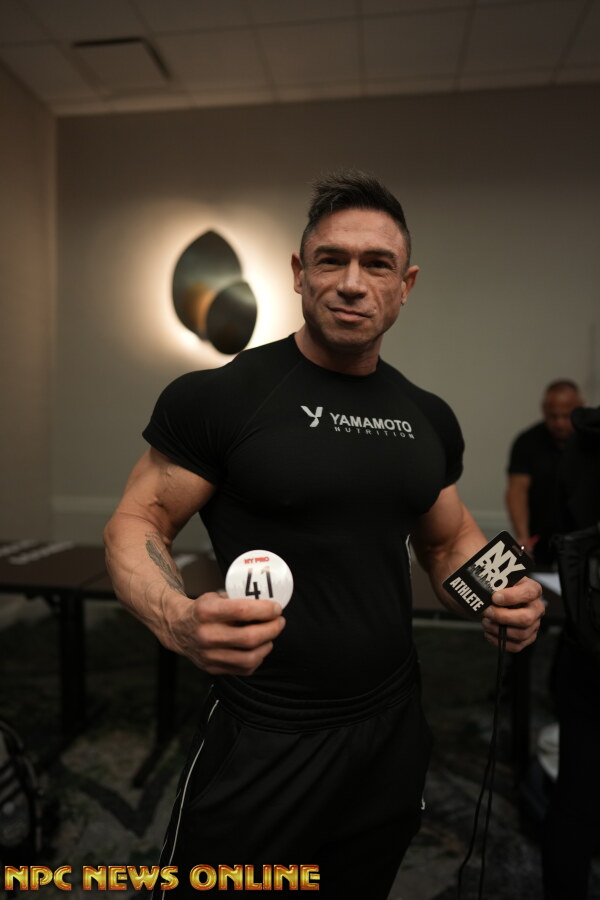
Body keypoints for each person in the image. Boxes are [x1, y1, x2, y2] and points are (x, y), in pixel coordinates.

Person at [104, 171, 544, 899]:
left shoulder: (428, 417)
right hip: (267, 728)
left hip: (392, 721)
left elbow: (446, 543)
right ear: (298, 273)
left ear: (405, 285)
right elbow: (136, 520)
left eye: (377, 265)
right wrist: (177, 619)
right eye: (331, 260)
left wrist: (501, 596)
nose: (351, 283)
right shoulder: (222, 396)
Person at [542, 406, 600, 900]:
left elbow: (561, 520)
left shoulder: (584, 441)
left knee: (575, 794)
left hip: (586, 644)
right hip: (586, 654)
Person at [505, 380, 583, 565]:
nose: (559, 423)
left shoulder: (592, 442)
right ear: (544, 410)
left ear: (580, 408)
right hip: (541, 542)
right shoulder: (527, 441)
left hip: (585, 542)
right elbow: (517, 491)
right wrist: (522, 536)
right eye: (553, 416)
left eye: (566, 416)